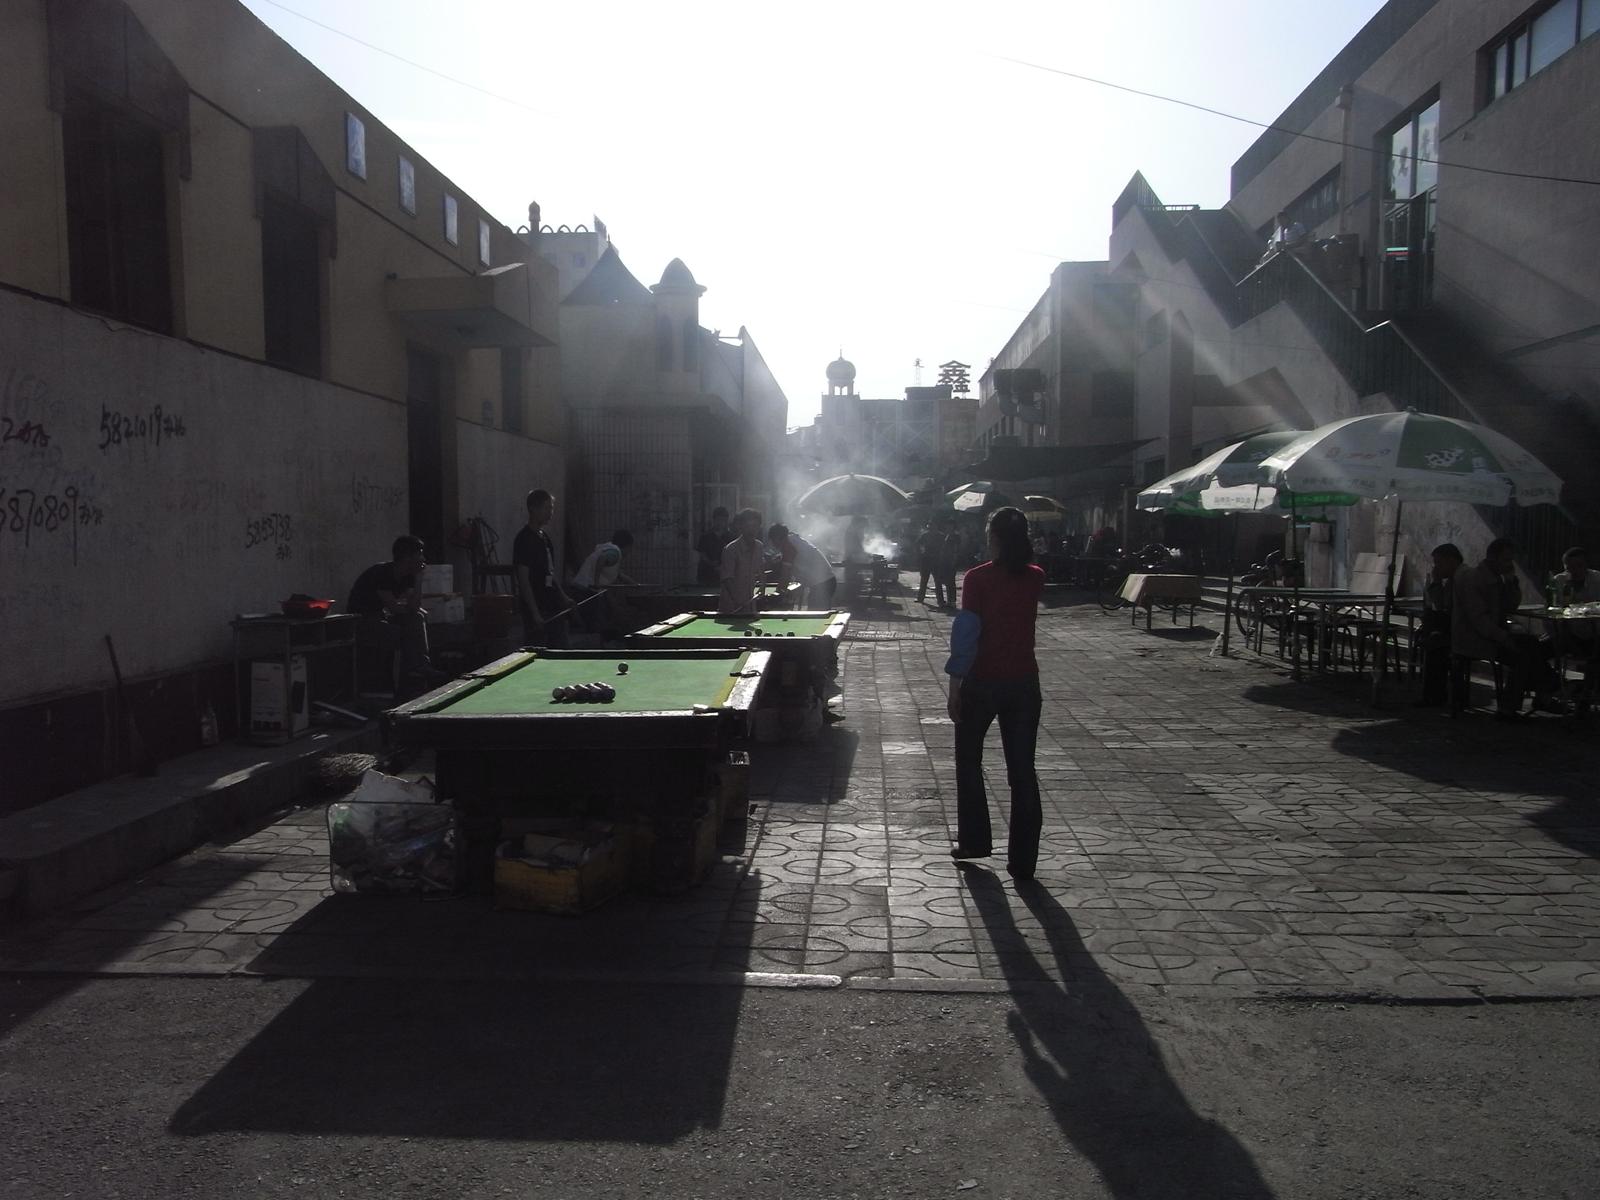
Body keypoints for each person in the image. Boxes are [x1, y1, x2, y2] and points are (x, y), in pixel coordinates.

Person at [947, 507, 1046, 882]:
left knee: (969, 760)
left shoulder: (977, 578)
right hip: (1024, 684)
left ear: (994, 538)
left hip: (982, 682)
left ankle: (974, 841)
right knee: (1022, 771)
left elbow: (966, 635)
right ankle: (1024, 861)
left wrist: (954, 686)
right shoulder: (1035, 577)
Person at [1452, 538, 1559, 717]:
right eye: (1506, 560)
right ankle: (1519, 701)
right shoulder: (1474, 580)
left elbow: (1511, 606)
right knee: (1523, 654)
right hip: (1475, 638)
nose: (1509, 564)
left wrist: (1511, 583)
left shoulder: (1498, 579)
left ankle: (1543, 693)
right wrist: (1503, 637)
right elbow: (1479, 619)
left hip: (1493, 634)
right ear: (1492, 558)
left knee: (1534, 645)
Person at [347, 534, 442, 688]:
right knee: (399, 633)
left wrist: (418, 579)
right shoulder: (382, 573)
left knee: (417, 618)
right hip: (361, 621)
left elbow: (413, 608)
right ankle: (402, 680)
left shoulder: (409, 576)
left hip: (381, 616)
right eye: (419, 554)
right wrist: (409, 609)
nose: (423, 558)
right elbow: (394, 608)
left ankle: (422, 666)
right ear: (407, 557)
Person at [513, 488, 573, 647]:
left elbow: (550, 572)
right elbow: (523, 579)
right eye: (547, 508)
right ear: (533, 508)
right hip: (537, 606)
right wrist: (535, 613)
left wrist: (563, 596)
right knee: (537, 648)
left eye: (551, 508)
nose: (550, 512)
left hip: (552, 604)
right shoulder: (524, 539)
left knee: (560, 648)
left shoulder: (544, 537)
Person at [1415, 542, 1462, 707]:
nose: (1436, 567)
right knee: (1432, 638)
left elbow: (1442, 606)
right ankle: (1433, 693)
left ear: (1452, 560)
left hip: (1462, 631)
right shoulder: (1451, 581)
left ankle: (1434, 695)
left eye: (1438, 563)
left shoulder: (1460, 580)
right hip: (1454, 629)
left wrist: (1435, 582)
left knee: (1435, 645)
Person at [571, 530, 639, 635]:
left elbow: (619, 575)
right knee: (593, 622)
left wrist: (633, 584)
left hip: (583, 587)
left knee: (592, 620)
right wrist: (596, 581)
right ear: (627, 547)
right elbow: (602, 559)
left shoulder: (609, 550)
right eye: (630, 549)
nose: (629, 552)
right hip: (586, 589)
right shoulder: (615, 553)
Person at [768, 523, 837, 608]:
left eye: (773, 540)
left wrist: (776, 595)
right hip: (826, 582)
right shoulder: (792, 540)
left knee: (815, 614)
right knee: (815, 613)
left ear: (777, 538)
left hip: (823, 584)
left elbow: (785, 575)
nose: (773, 543)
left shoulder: (788, 546)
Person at [719, 507, 766, 614]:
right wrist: (738, 600)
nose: (752, 530)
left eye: (755, 526)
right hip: (731, 607)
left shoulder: (759, 546)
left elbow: (761, 567)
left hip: (750, 604)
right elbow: (727, 579)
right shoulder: (731, 549)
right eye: (748, 526)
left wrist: (763, 586)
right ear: (740, 527)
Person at [696, 507, 732, 587]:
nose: (720, 523)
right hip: (706, 574)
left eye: (723, 520)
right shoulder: (705, 537)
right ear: (714, 520)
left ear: (726, 521)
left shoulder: (731, 537)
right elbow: (702, 555)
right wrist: (712, 564)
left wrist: (723, 566)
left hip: (725, 574)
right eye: (718, 520)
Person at [935, 521, 962, 609]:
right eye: (947, 526)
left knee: (951, 581)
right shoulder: (946, 536)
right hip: (945, 561)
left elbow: (956, 550)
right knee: (947, 581)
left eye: (950, 526)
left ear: (953, 527)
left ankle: (952, 601)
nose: (948, 527)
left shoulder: (955, 537)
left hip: (951, 561)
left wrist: (954, 561)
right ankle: (949, 600)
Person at [914, 520, 941, 604]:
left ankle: (940, 600)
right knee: (924, 580)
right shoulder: (925, 535)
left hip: (936, 560)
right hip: (926, 559)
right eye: (930, 526)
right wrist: (920, 553)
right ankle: (920, 598)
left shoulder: (940, 536)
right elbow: (917, 544)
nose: (932, 528)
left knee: (937, 581)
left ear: (936, 527)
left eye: (933, 526)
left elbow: (944, 547)